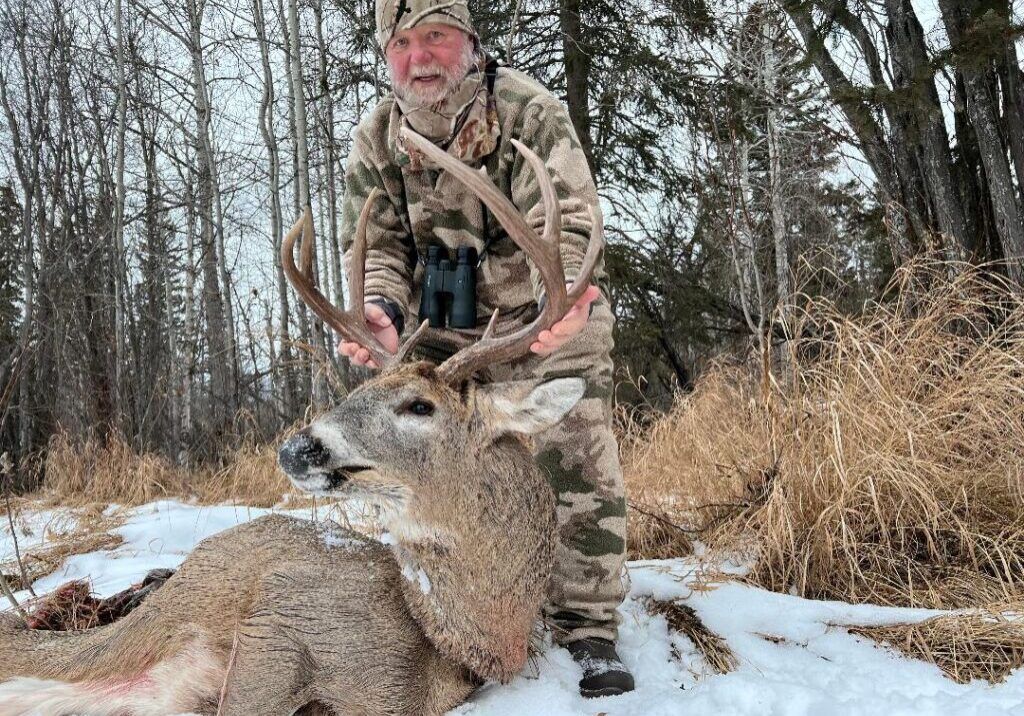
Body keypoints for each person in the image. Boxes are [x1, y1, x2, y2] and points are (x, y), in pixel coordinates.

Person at [336, 0, 634, 698]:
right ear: (388, 58)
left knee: (572, 438)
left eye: (435, 37)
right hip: (441, 334)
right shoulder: (377, 138)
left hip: (539, 320)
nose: (421, 57)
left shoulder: (527, 112)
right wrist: (378, 310)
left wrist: (566, 299)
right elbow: (375, 247)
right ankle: (459, 602)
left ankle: (586, 624)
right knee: (405, 439)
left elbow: (565, 220)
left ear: (469, 42)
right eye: (403, 44)